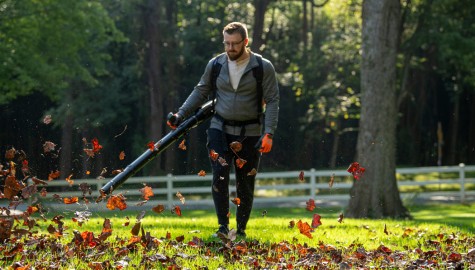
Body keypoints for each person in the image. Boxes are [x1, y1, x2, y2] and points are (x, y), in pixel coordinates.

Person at [167, 22, 279, 237]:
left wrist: (269, 133)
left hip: (251, 131)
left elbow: (273, 100)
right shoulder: (216, 64)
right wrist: (180, 114)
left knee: (245, 182)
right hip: (220, 128)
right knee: (220, 176)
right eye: (226, 43)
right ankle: (222, 228)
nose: (229, 49)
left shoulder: (262, 67)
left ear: (245, 42)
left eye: (234, 44)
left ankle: (241, 230)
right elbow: (200, 92)